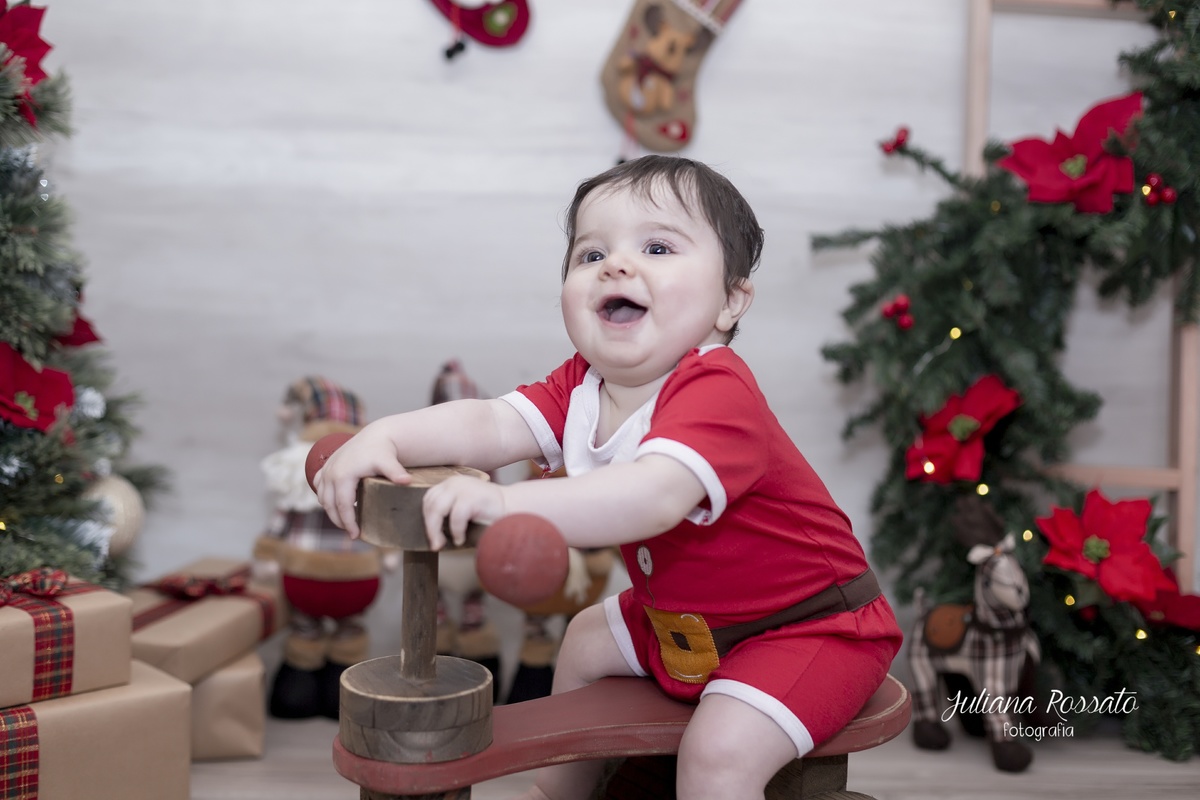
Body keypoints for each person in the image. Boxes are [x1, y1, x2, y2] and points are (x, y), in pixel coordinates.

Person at [313, 155, 903, 800]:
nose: (617, 265)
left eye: (656, 246)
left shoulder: (716, 387)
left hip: (809, 626)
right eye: (591, 255)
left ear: (731, 299)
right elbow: (487, 423)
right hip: (684, 622)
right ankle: (560, 792)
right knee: (586, 640)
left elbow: (653, 496)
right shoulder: (583, 385)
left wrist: (504, 503)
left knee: (717, 757)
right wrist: (384, 435)